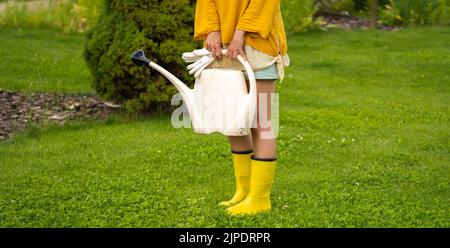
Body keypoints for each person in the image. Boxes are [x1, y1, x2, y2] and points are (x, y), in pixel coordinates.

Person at [194, 0, 289, 215]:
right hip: (222, 45)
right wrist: (213, 29)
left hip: (258, 43)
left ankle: (259, 199)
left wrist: (240, 32)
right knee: (233, 119)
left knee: (260, 120)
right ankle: (243, 191)